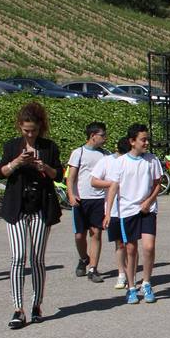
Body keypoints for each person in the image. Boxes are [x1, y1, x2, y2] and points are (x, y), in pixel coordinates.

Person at [0, 102, 63, 330]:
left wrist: (43, 166)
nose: (30, 134)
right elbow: (2, 172)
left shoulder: (49, 147)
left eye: (34, 130)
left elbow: (58, 175)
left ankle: (36, 304)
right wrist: (17, 162)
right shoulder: (11, 146)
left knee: (37, 259)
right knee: (17, 258)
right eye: (26, 130)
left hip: (41, 206)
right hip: (16, 207)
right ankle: (18, 308)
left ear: (40, 127)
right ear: (20, 127)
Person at [101, 124, 164, 304]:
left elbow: (158, 183)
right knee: (130, 249)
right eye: (143, 140)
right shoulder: (120, 162)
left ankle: (147, 283)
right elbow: (113, 187)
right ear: (132, 141)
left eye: (147, 139)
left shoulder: (152, 160)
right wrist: (108, 213)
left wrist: (148, 201)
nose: (146, 143)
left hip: (147, 210)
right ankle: (131, 287)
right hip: (126, 211)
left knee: (149, 247)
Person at [66, 121, 109, 284]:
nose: (105, 138)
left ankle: (93, 268)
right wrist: (71, 195)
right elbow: (71, 177)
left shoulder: (105, 154)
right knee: (79, 235)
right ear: (93, 136)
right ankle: (84, 258)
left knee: (96, 233)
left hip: (98, 199)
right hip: (81, 199)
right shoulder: (78, 153)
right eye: (102, 135)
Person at [91, 137, 132, 290]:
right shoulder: (106, 161)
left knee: (131, 244)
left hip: (131, 209)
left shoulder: (135, 161)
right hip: (114, 210)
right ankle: (121, 274)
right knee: (119, 244)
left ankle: (131, 275)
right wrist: (114, 183)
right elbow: (94, 181)